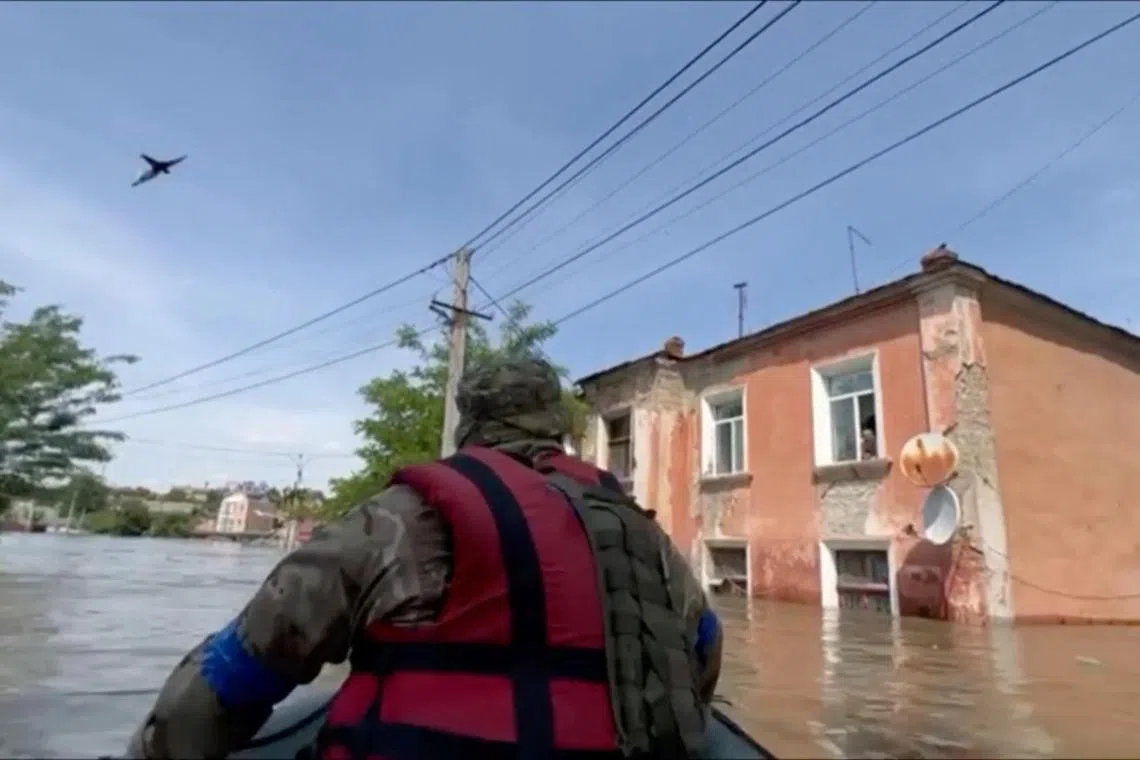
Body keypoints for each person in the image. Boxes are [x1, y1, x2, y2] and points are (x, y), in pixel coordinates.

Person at [127, 354, 723, 760]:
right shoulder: (641, 534)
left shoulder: (397, 518)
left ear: (471, 423)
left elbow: (246, 660)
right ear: (559, 427)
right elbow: (702, 653)